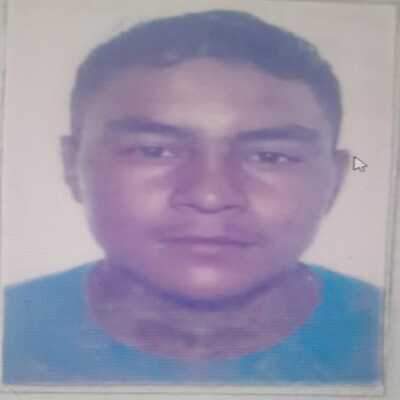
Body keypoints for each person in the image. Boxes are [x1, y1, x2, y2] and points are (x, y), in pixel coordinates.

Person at [3, 9, 382, 385]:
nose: (210, 196)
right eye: (153, 151)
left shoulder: (383, 333)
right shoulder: (12, 328)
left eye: (270, 157)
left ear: (335, 180)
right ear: (72, 166)